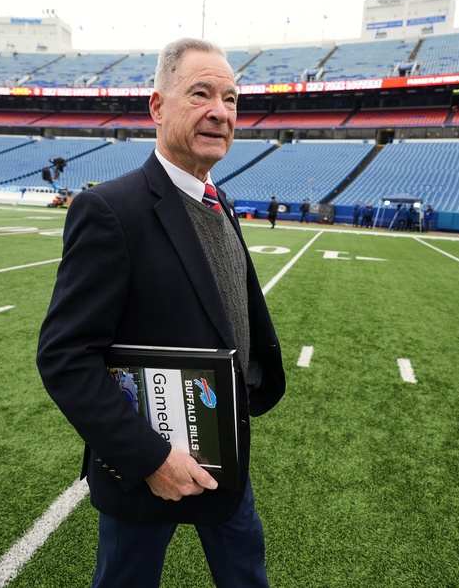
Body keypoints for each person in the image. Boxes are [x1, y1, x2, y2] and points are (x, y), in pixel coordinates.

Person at [37, 38, 286, 588]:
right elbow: (64, 356)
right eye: (200, 94)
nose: (220, 111)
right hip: (146, 470)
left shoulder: (220, 204)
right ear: (157, 107)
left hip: (225, 458)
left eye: (231, 98)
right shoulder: (110, 211)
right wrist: (150, 458)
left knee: (248, 574)